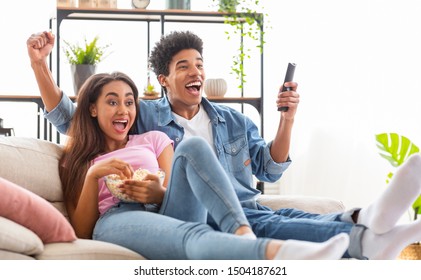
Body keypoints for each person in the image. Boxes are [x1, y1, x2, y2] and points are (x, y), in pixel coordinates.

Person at [27, 30, 421, 260]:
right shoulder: (144, 117)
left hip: (238, 203)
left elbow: (270, 167)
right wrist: (40, 66)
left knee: (286, 218)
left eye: (199, 65)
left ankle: (365, 226)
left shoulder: (231, 120)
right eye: (184, 67)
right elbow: (72, 117)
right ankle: (349, 231)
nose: (196, 72)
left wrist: (286, 120)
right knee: (258, 216)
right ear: (163, 80)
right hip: (185, 209)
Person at [55, 70, 350, 260]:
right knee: (196, 236)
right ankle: (279, 253)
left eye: (130, 102)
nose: (124, 110)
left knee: (193, 145)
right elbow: (82, 231)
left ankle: (242, 232)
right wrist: (94, 174)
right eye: (112, 102)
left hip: (165, 209)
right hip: (118, 218)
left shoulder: (153, 138)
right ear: (92, 108)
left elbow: (173, 191)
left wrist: (157, 192)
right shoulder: (78, 159)